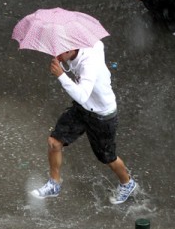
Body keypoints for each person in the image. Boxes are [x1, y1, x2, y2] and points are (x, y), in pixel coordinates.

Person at [30, 40, 137, 204]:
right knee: (54, 142)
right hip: (82, 109)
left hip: (102, 115)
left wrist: (61, 75)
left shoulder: (88, 63)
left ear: (71, 48)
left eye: (59, 52)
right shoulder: (87, 46)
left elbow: (81, 95)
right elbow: (99, 45)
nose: (56, 55)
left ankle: (127, 183)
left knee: (107, 157)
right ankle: (54, 183)